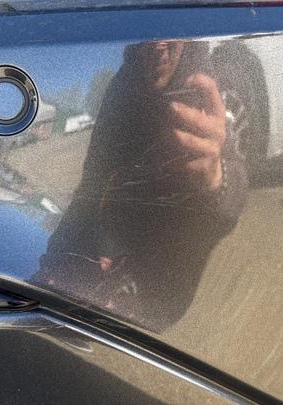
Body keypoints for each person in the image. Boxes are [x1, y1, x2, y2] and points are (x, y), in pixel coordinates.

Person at [35, 40, 248, 331]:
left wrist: (216, 177)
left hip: (166, 278)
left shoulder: (207, 81)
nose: (159, 45)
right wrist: (57, 255)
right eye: (150, 33)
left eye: (169, 27)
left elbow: (234, 195)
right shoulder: (123, 87)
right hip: (113, 257)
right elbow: (93, 181)